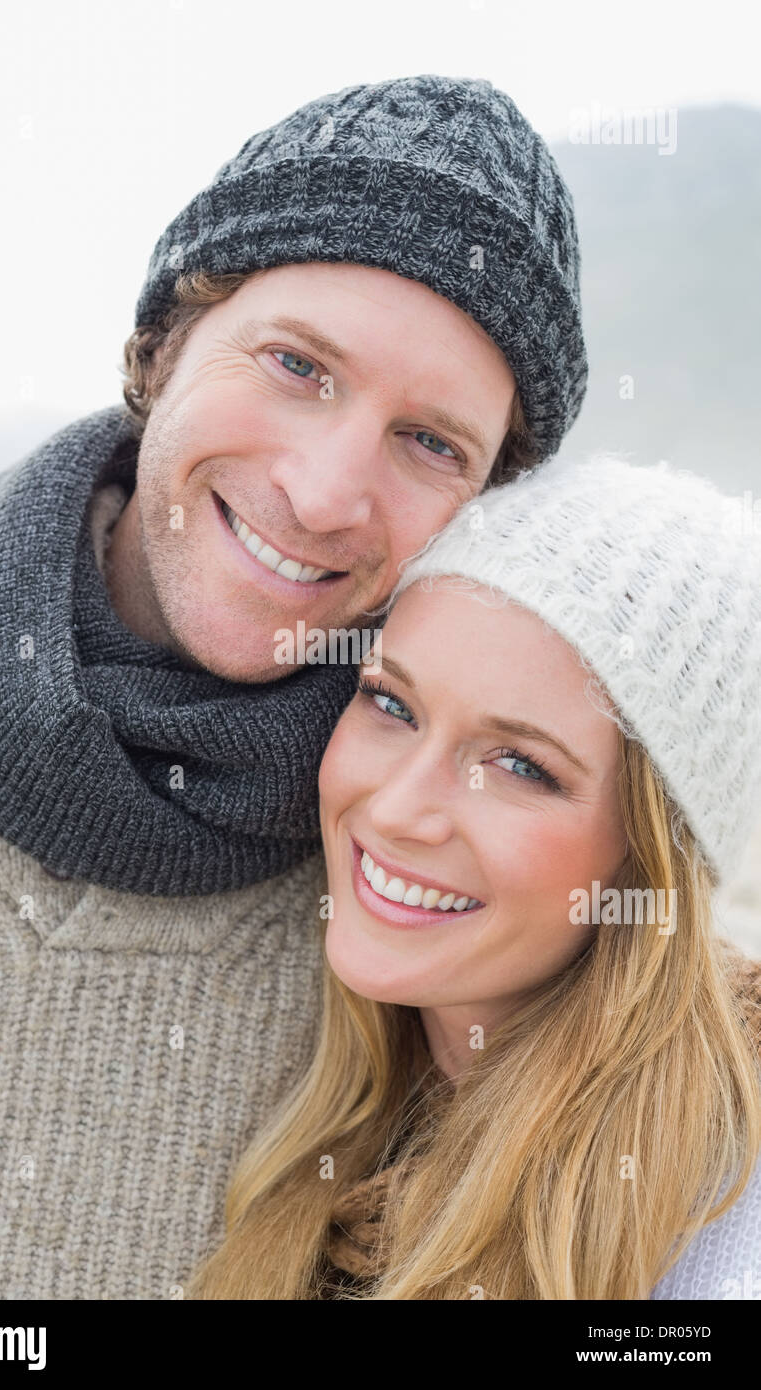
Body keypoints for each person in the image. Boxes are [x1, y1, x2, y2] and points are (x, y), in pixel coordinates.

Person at [0, 75, 588, 1299]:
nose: (323, 494)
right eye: (296, 365)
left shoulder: (437, 910)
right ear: (165, 343)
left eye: (430, 443)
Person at [186, 452, 761, 1300]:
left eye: (522, 766)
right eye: (391, 704)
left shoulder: (723, 1227)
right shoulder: (315, 1102)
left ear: (648, 860)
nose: (394, 811)